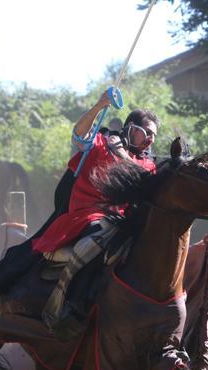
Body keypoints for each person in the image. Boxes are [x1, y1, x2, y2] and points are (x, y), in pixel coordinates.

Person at [34, 91, 159, 333]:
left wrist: (120, 154)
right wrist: (100, 104)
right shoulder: (101, 141)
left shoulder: (147, 163)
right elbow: (79, 133)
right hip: (85, 215)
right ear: (131, 128)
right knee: (106, 228)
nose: (151, 140)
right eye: (147, 133)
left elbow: (144, 179)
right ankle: (61, 300)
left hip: (119, 221)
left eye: (154, 135)